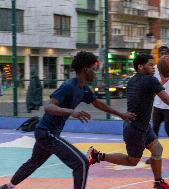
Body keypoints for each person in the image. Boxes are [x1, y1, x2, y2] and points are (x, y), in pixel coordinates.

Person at [0, 51, 135, 189]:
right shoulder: (69, 86)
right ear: (85, 69)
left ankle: (8, 186)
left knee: (34, 162)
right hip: (46, 133)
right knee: (81, 163)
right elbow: (49, 107)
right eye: (94, 70)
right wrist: (72, 112)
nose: (96, 73)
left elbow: (97, 103)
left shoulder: (84, 89)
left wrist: (121, 114)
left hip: (48, 133)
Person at [87, 54, 169, 189]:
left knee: (157, 149)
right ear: (140, 66)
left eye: (154, 64)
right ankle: (97, 155)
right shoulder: (150, 81)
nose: (153, 67)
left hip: (141, 126)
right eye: (150, 64)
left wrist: (162, 82)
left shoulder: (133, 81)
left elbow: (149, 92)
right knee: (132, 161)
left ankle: (159, 183)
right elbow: (167, 100)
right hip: (135, 129)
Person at [146, 45, 169, 164]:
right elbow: (153, 86)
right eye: (161, 52)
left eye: (165, 52)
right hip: (157, 104)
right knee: (154, 130)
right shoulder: (155, 68)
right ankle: (154, 155)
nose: (163, 54)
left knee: (167, 128)